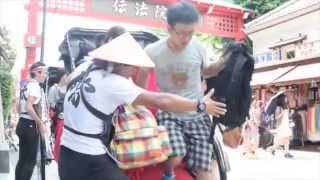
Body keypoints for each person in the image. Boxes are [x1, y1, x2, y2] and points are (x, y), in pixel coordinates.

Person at [58, 26, 226, 180]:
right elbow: (162, 101)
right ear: (120, 62)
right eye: (133, 67)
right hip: (89, 159)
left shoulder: (85, 67)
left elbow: (63, 85)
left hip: (67, 154)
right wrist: (201, 105)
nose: (134, 71)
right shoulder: (113, 83)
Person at [138, 2, 227, 180]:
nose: (186, 38)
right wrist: (142, 106)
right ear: (169, 28)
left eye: (191, 33)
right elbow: (142, 78)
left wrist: (225, 60)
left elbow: (206, 71)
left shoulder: (199, 47)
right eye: (181, 33)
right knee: (176, 156)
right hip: (169, 112)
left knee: (205, 167)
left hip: (198, 112)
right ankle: (168, 173)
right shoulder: (153, 51)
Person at [15, 62, 47, 180]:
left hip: (22, 123)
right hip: (29, 125)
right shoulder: (35, 87)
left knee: (22, 160)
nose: (45, 76)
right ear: (37, 72)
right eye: (44, 73)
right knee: (29, 162)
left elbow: (18, 105)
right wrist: (40, 123)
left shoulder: (26, 85)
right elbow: (29, 107)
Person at [47, 68, 67, 162]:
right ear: (62, 77)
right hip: (58, 117)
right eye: (66, 75)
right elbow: (51, 104)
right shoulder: (54, 89)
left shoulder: (69, 87)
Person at [270, 93, 294, 158]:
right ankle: (285, 152)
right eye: (285, 98)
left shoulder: (285, 107)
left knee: (285, 139)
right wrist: (282, 113)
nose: (286, 99)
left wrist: (290, 114)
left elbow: (286, 116)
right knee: (283, 139)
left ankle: (275, 149)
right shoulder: (279, 107)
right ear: (282, 99)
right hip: (281, 125)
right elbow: (276, 117)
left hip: (285, 124)